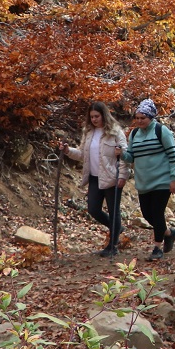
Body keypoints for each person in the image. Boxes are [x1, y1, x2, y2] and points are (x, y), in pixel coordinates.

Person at [60, 101, 129, 257]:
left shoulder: (115, 132)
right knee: (93, 209)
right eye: (91, 117)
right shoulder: (88, 132)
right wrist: (67, 150)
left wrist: (123, 176)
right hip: (94, 177)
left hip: (112, 176)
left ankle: (113, 245)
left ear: (104, 115)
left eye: (97, 116)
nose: (94, 119)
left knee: (114, 211)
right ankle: (116, 229)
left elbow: (124, 156)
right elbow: (82, 154)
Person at [118, 98, 175, 261]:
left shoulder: (162, 131)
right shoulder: (134, 134)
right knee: (147, 214)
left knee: (158, 213)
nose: (139, 121)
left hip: (162, 180)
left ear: (151, 117)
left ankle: (157, 248)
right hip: (143, 182)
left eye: (143, 118)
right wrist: (122, 155)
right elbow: (131, 157)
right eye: (137, 118)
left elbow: (173, 156)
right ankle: (169, 233)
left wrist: (174, 178)